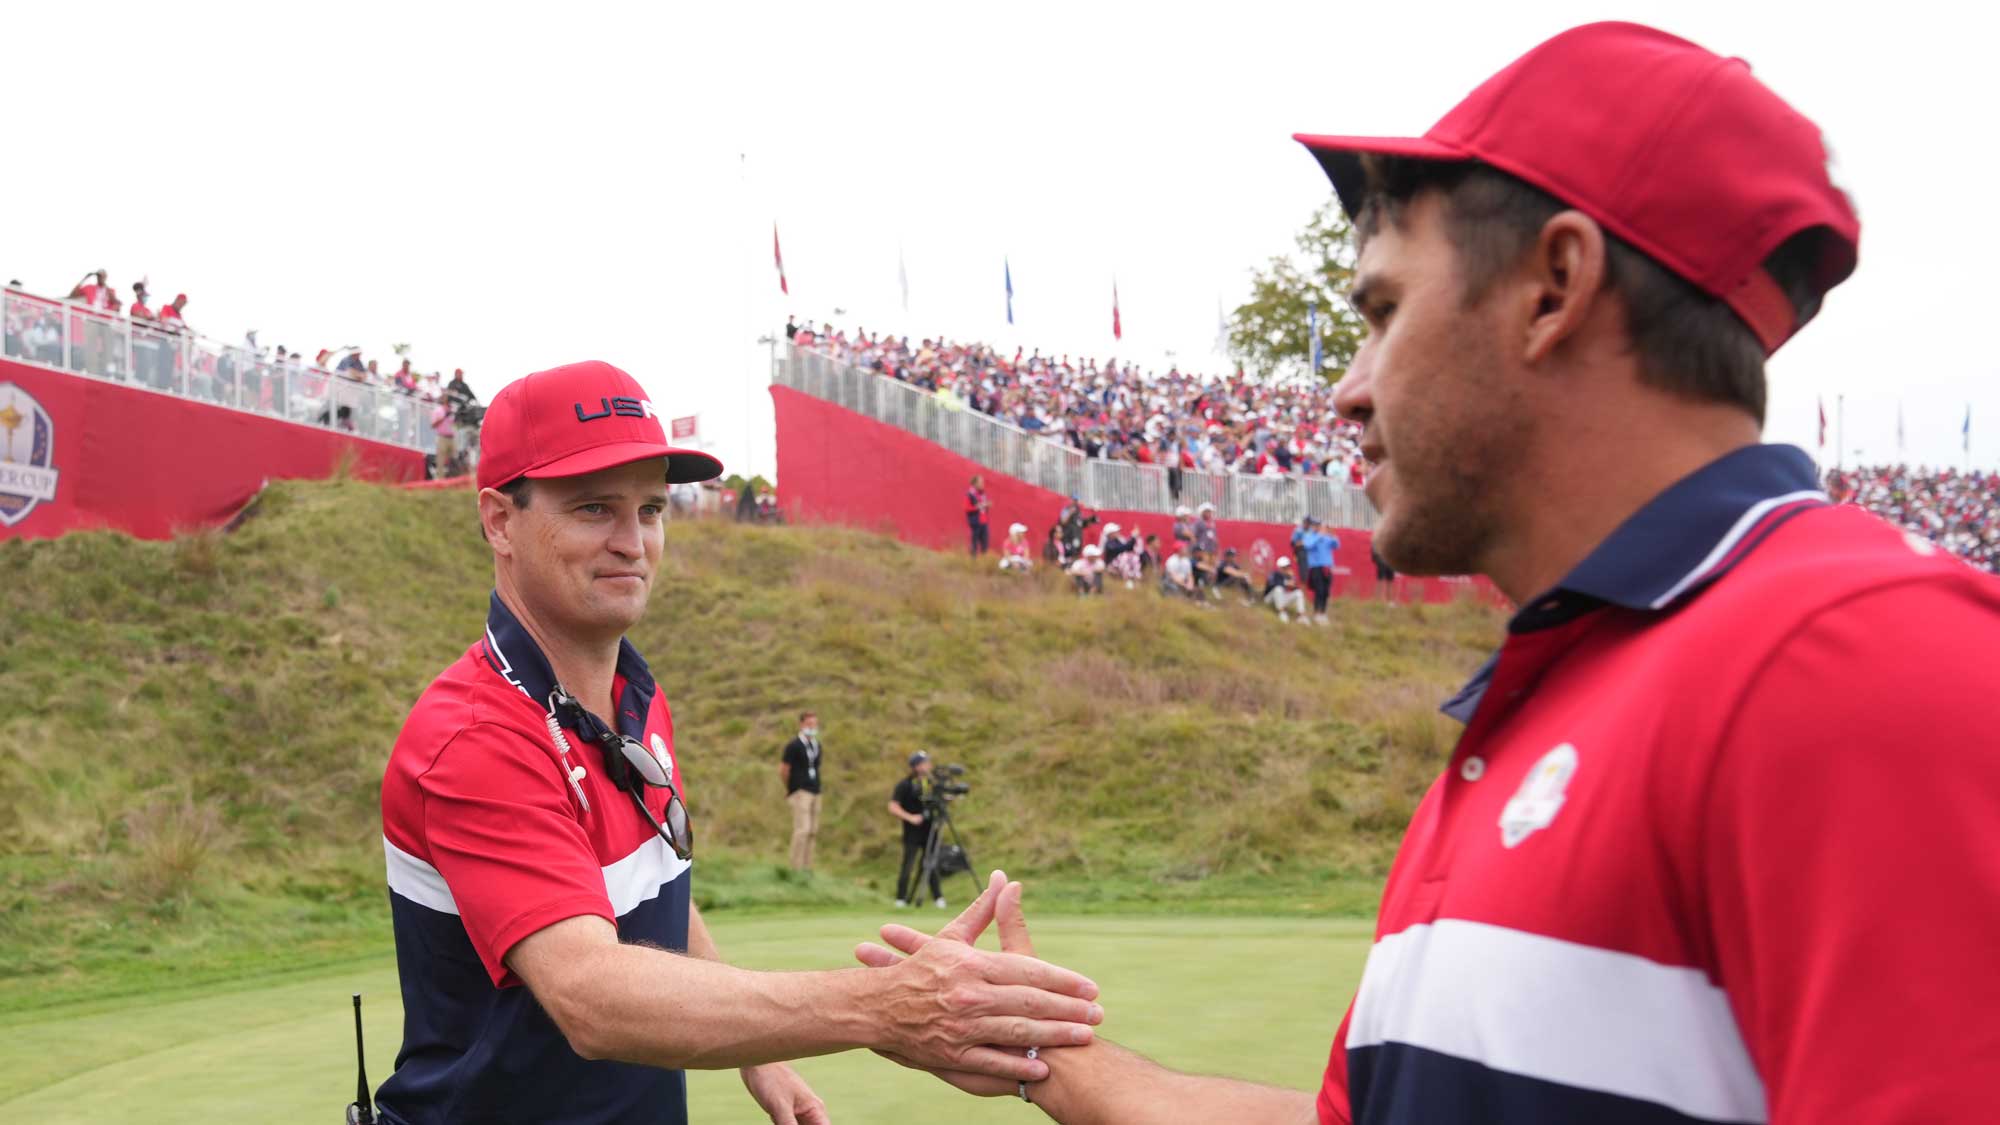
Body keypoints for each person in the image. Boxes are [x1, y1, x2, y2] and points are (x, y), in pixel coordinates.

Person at [860, 22, 2000, 1125]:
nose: (1346, 389)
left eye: (1381, 312)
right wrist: (1040, 1057)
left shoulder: (1857, 659)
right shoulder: (1550, 697)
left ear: (1552, 286)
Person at [374, 360, 1100, 1125]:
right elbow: (592, 995)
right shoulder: (474, 735)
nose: (633, 541)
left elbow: (655, 894)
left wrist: (762, 1051)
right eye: (594, 509)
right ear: (498, 519)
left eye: (650, 508)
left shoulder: (634, 697)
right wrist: (887, 1003)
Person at [889, 751, 944, 908]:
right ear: (916, 766)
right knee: (908, 864)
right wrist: (910, 817)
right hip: (912, 832)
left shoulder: (931, 783)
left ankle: (938, 898)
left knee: (930, 863)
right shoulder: (905, 784)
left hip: (929, 830)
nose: (928, 765)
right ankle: (901, 898)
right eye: (925, 762)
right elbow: (893, 806)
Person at [778, 712, 824, 873]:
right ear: (802, 725)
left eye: (815, 724)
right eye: (809, 724)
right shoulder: (794, 746)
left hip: (815, 791)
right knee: (802, 829)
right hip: (800, 791)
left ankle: (807, 867)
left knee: (812, 830)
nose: (812, 728)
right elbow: (784, 770)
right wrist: (790, 788)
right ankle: (795, 867)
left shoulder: (816, 745)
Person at [1290, 516, 1340, 624]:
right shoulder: (1310, 536)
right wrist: (1319, 535)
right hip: (1316, 568)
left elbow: (1336, 545)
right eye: (1315, 525)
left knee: (1326, 592)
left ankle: (1323, 612)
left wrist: (1332, 533)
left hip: (1327, 568)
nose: (1317, 527)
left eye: (1319, 525)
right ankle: (1317, 613)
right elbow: (1308, 545)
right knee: (1319, 590)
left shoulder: (1326, 537)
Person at [1263, 556, 1307, 623]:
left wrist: (1292, 579)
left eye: (1288, 566)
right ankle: (1282, 613)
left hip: (1281, 599)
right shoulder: (1274, 573)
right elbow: (1273, 584)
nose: (1287, 568)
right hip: (1269, 600)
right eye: (1285, 567)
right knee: (1278, 588)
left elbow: (1296, 588)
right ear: (1280, 567)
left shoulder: (1289, 576)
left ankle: (1301, 616)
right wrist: (1286, 583)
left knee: (1298, 593)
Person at [965, 474, 991, 557]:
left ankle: (984, 561)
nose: (982, 484)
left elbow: (983, 507)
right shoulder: (970, 494)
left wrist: (986, 505)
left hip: (984, 521)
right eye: (981, 482)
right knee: (974, 543)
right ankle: (973, 560)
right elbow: (967, 508)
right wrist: (980, 506)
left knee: (985, 543)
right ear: (975, 483)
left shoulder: (982, 494)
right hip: (975, 522)